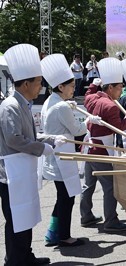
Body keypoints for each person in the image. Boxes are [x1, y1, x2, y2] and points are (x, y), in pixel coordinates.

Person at [0, 43, 56, 265]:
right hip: (10, 174)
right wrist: (42, 148)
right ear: (26, 83)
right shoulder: (10, 106)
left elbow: (28, 136)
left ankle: (25, 255)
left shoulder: (23, 103)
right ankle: (14, 260)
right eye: (39, 82)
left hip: (23, 169)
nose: (41, 86)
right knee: (15, 219)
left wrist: (49, 139)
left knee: (27, 216)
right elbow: (14, 139)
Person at [40, 54, 102, 247]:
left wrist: (70, 107)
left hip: (56, 156)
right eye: (72, 86)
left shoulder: (50, 101)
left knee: (62, 198)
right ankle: (64, 237)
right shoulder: (60, 106)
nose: (74, 89)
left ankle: (53, 234)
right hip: (62, 158)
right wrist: (89, 121)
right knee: (67, 200)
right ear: (61, 87)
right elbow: (77, 130)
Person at [81, 57, 126, 232]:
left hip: (88, 147)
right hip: (101, 150)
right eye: (119, 88)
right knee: (110, 185)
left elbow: (88, 94)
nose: (121, 91)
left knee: (89, 184)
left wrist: (93, 85)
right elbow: (118, 128)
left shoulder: (92, 98)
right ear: (110, 87)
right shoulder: (110, 105)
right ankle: (111, 221)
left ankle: (86, 215)